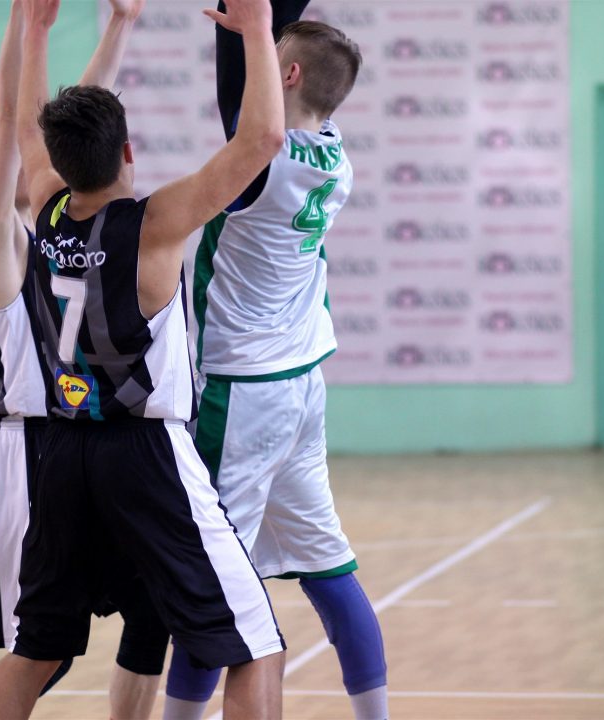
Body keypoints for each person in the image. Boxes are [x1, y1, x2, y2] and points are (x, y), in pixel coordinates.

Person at [0, 0, 288, 717]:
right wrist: (257, 29)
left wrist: (35, 31)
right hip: (146, 453)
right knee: (255, 644)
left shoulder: (45, 206)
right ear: (129, 153)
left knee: (37, 648)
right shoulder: (154, 225)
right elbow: (264, 138)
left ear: (56, 159)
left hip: (63, 455)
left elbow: (26, 127)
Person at [163, 6, 389, 720]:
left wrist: (251, 29)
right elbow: (263, 95)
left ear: (286, 74)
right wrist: (258, 32)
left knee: (208, 582)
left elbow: (243, 108)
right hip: (302, 384)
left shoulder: (261, 161)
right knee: (329, 569)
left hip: (242, 393)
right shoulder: (336, 155)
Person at [0, 1, 168, 718]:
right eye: (13, 145)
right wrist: (26, 24)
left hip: (83, 445)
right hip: (26, 451)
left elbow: (69, 123)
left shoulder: (56, 225)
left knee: (152, 609)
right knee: (41, 650)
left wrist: (120, 25)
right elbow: (20, 117)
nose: (31, 146)